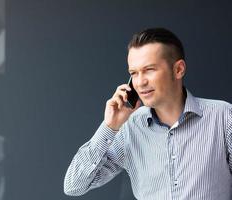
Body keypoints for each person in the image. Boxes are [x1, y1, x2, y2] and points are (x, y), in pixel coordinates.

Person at [63, 28, 232, 199]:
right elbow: (74, 185)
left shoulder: (223, 117)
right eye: (133, 73)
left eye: (149, 69)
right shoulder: (129, 128)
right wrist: (109, 126)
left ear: (179, 69)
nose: (140, 82)